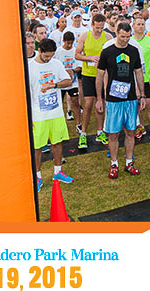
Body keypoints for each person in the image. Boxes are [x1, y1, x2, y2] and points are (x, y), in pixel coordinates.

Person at [96, 22, 146, 178]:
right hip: (113, 99)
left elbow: (138, 73)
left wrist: (142, 94)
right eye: (122, 36)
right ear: (116, 33)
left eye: (128, 37)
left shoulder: (133, 50)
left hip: (130, 98)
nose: (125, 40)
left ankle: (129, 162)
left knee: (130, 131)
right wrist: (99, 98)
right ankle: (114, 164)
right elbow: (99, 76)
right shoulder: (107, 52)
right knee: (113, 134)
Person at [28, 38, 74, 192]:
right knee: (37, 147)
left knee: (57, 142)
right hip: (38, 115)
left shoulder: (56, 64)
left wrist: (54, 85)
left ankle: (57, 171)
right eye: (46, 56)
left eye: (51, 56)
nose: (49, 59)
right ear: (40, 51)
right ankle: (37, 176)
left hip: (56, 112)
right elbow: (27, 93)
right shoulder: (30, 67)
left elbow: (68, 81)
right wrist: (30, 116)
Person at [75, 13, 112, 148]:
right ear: (92, 25)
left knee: (100, 103)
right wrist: (90, 58)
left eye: (102, 27)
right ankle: (83, 133)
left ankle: (100, 131)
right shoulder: (85, 36)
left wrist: (103, 62)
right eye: (97, 27)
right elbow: (77, 54)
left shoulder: (108, 37)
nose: (99, 30)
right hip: (88, 75)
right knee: (88, 103)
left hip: (102, 75)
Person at [132, 16, 150, 144]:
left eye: (142, 24)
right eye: (138, 24)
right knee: (137, 104)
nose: (141, 26)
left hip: (148, 78)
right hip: (134, 79)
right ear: (133, 26)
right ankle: (140, 126)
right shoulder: (130, 41)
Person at [54, 31, 80, 121]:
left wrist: (73, 70)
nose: (69, 45)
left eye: (71, 43)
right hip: (61, 82)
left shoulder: (76, 51)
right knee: (58, 103)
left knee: (75, 102)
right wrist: (62, 72)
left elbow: (80, 66)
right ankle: (59, 121)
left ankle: (78, 124)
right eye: (67, 43)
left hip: (73, 82)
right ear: (63, 41)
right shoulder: (58, 52)